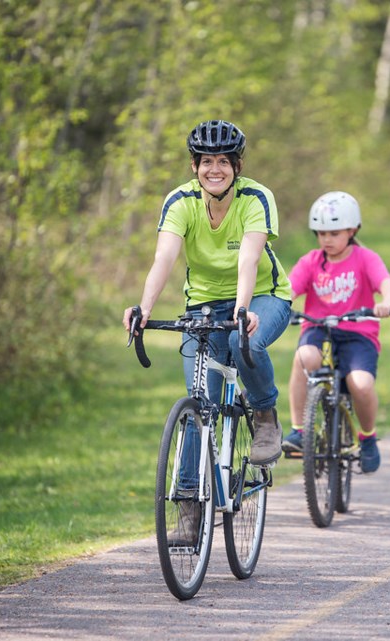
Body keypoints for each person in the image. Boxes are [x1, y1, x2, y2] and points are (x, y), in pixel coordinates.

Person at [122, 119, 292, 469]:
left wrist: (242, 311)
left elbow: (249, 259)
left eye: (223, 162)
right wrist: (145, 308)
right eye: (206, 161)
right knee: (200, 405)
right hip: (203, 303)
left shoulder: (256, 198)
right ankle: (189, 505)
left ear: (237, 167)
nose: (215, 169)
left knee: (243, 343)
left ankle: (264, 416)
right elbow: (164, 258)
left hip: (263, 295)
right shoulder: (180, 202)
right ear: (194, 166)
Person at [282, 191, 390, 474]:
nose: (326, 240)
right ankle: (299, 431)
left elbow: (386, 283)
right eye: (320, 233)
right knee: (304, 357)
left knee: (360, 383)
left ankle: (367, 437)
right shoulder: (311, 261)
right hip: (318, 327)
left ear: (352, 230)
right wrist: (279, 306)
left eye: (334, 233)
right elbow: (288, 289)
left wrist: (387, 303)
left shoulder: (365, 258)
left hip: (358, 331)